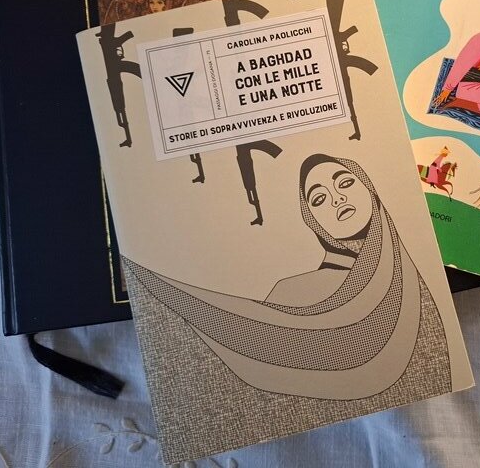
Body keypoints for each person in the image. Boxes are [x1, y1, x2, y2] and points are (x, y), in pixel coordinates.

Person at [123, 154, 452, 400]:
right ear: (312, 220)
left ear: (370, 189)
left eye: (345, 183)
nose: (337, 198)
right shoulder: (294, 291)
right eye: (319, 199)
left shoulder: (416, 270)